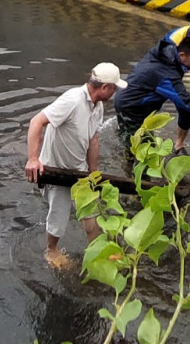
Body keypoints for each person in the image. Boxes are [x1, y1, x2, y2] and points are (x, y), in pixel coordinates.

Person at [25, 61, 122, 269]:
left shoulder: (98, 106)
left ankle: (97, 250)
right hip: (56, 169)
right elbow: (36, 122)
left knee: (92, 211)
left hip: (78, 169)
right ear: (105, 87)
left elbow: (93, 139)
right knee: (58, 214)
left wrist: (93, 171)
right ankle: (51, 251)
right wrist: (33, 159)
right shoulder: (72, 100)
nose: (115, 93)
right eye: (114, 88)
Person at [112, 31, 190, 155]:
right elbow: (186, 102)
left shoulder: (168, 55)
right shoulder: (167, 75)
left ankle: (128, 140)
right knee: (145, 155)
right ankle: (132, 165)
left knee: (138, 142)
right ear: (182, 55)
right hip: (131, 108)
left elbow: (185, 107)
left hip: (141, 101)